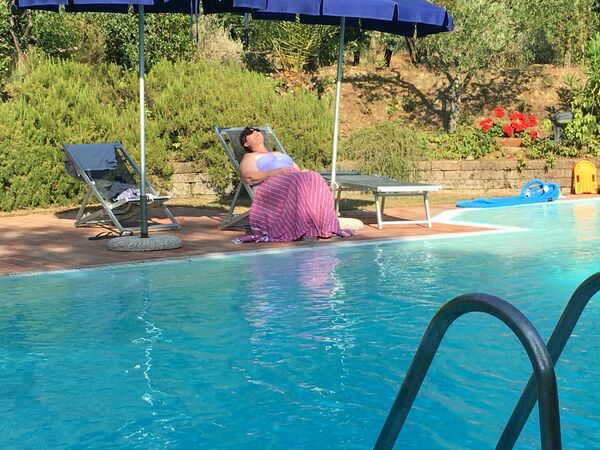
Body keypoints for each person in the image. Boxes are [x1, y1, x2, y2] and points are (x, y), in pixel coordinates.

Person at [235, 126, 351, 243]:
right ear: (246, 144)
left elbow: (296, 171)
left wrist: (303, 173)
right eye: (250, 132)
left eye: (257, 130)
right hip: (271, 184)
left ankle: (326, 227)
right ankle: (306, 229)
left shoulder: (279, 153)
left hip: (292, 179)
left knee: (315, 176)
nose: (255, 132)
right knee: (298, 180)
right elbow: (249, 177)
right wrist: (277, 172)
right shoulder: (249, 157)